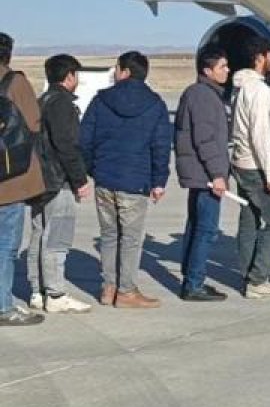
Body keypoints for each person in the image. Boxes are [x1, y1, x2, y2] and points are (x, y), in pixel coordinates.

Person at [81, 51, 172, 308]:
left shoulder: (101, 100)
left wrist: (94, 169)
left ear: (125, 72)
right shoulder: (155, 104)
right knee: (131, 239)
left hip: (105, 179)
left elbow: (84, 139)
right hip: (135, 181)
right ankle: (126, 291)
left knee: (109, 235)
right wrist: (159, 181)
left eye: (117, 68)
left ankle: (109, 287)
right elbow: (161, 146)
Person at [25, 54, 92, 314]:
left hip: (39, 180)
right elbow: (66, 145)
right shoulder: (62, 104)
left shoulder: (42, 100)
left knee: (39, 234)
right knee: (57, 237)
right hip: (58, 180)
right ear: (69, 76)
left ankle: (37, 291)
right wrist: (80, 180)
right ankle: (55, 293)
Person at [174, 46, 233, 302]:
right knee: (206, 229)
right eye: (222, 67)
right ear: (208, 71)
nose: (227, 71)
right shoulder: (204, 96)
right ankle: (194, 283)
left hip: (200, 173)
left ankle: (191, 277)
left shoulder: (201, 93)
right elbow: (205, 139)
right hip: (205, 175)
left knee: (196, 225)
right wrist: (218, 174)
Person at [229, 38, 270, 299]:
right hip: (256, 166)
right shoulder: (260, 91)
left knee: (249, 220)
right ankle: (258, 278)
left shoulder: (240, 87)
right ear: (261, 57)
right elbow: (261, 136)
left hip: (241, 162)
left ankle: (247, 274)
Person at [0, 33, 47, 325]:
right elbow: (33, 123)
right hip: (9, 180)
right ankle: (3, 307)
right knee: (5, 246)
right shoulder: (14, 82)